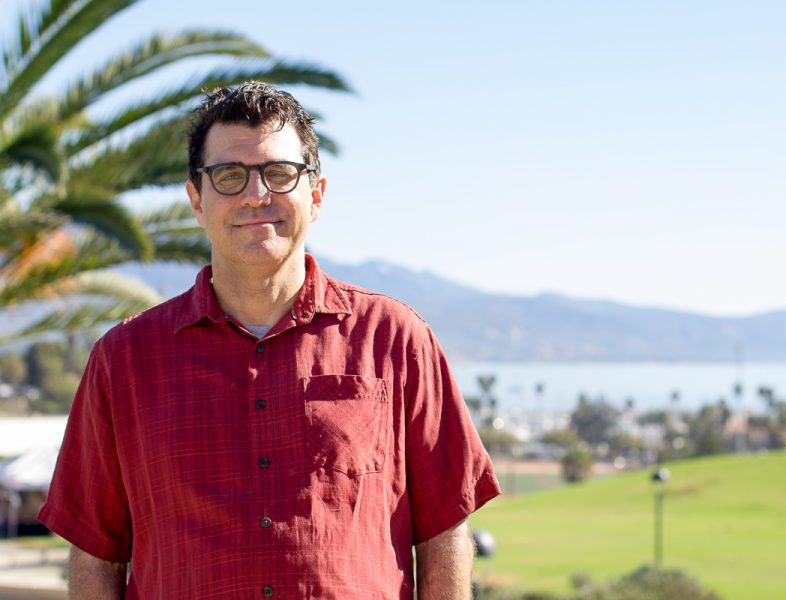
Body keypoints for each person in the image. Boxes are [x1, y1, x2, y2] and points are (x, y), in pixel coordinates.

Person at [38, 81, 501, 599]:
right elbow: (96, 552)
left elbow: (444, 531)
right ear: (197, 199)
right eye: (229, 176)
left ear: (316, 194)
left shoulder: (396, 340)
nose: (256, 195)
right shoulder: (123, 360)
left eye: (279, 174)